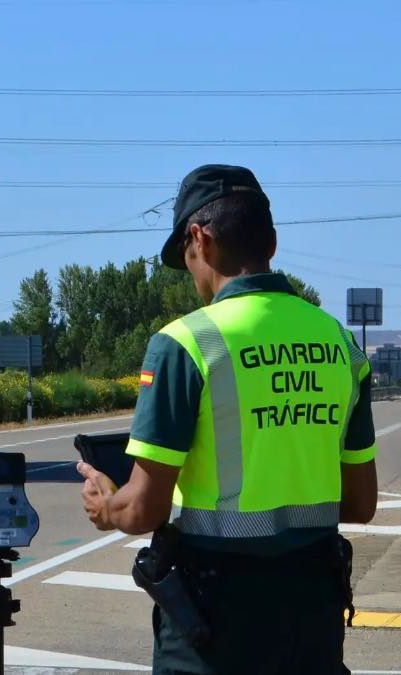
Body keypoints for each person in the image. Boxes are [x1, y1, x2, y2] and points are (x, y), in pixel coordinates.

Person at [77, 164, 379, 674]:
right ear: (273, 242)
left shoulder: (185, 343)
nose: (193, 274)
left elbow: (144, 510)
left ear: (201, 238)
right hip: (312, 614)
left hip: (213, 617)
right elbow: (360, 503)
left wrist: (108, 506)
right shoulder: (342, 344)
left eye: (188, 257)